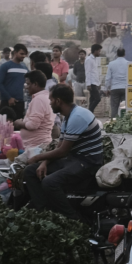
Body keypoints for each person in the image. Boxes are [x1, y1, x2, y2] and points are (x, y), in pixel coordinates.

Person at [23, 84, 104, 223]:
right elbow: (59, 147)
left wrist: (37, 157)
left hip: (88, 163)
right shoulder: (68, 116)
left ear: (58, 101)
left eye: (51, 100)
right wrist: (43, 163)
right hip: (73, 159)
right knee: (30, 171)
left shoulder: (78, 116)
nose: (49, 103)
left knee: (50, 182)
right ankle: (44, 212)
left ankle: (73, 219)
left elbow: (62, 151)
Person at [15, 70, 54, 148]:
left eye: (28, 84)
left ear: (35, 84)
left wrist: (19, 123)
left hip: (36, 146)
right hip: (38, 144)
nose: (26, 87)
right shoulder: (45, 97)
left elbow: (33, 125)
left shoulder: (39, 99)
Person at [0, 43, 29, 117]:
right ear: (15, 53)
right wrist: (9, 98)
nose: (23, 56)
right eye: (21, 54)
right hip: (6, 102)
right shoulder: (5, 66)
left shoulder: (25, 68)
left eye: (25, 54)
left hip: (20, 102)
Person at [105, 48, 129, 118]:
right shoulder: (128, 63)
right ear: (124, 54)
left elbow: (108, 78)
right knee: (125, 107)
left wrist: (106, 89)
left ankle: (113, 123)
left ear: (116, 54)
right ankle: (125, 122)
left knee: (114, 108)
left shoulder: (111, 64)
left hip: (114, 88)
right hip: (125, 88)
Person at [86, 44, 103, 114]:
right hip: (91, 83)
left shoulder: (94, 59)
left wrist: (98, 83)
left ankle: (90, 114)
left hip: (95, 83)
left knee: (92, 99)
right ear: (95, 51)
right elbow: (88, 72)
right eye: (99, 51)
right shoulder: (89, 60)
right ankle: (89, 112)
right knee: (97, 98)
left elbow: (95, 73)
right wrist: (88, 84)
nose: (99, 52)